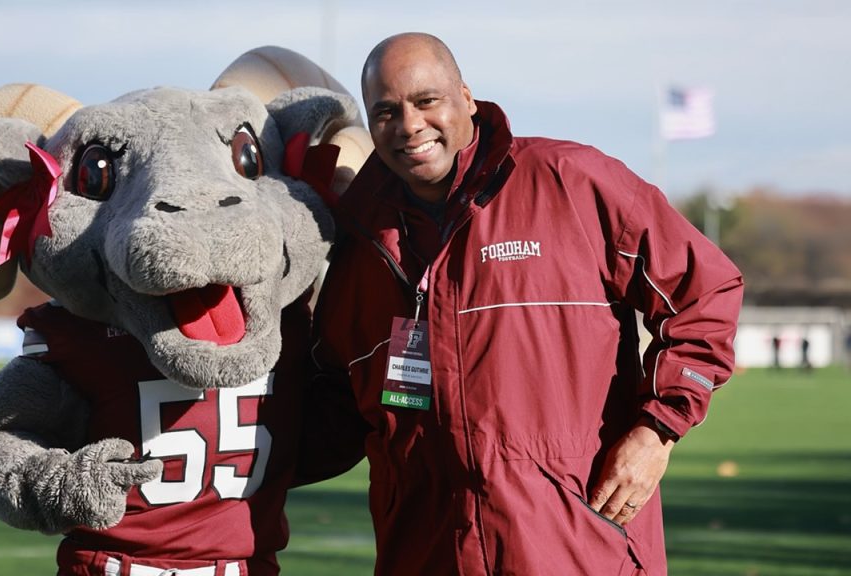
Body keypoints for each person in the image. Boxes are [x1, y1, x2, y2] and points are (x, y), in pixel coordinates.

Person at [309, 32, 744, 575]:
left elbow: (705, 293)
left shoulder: (570, 182)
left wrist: (656, 432)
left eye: (426, 101)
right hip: (424, 553)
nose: (409, 125)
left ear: (466, 98)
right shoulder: (362, 241)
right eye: (386, 111)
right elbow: (329, 401)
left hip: (576, 547)